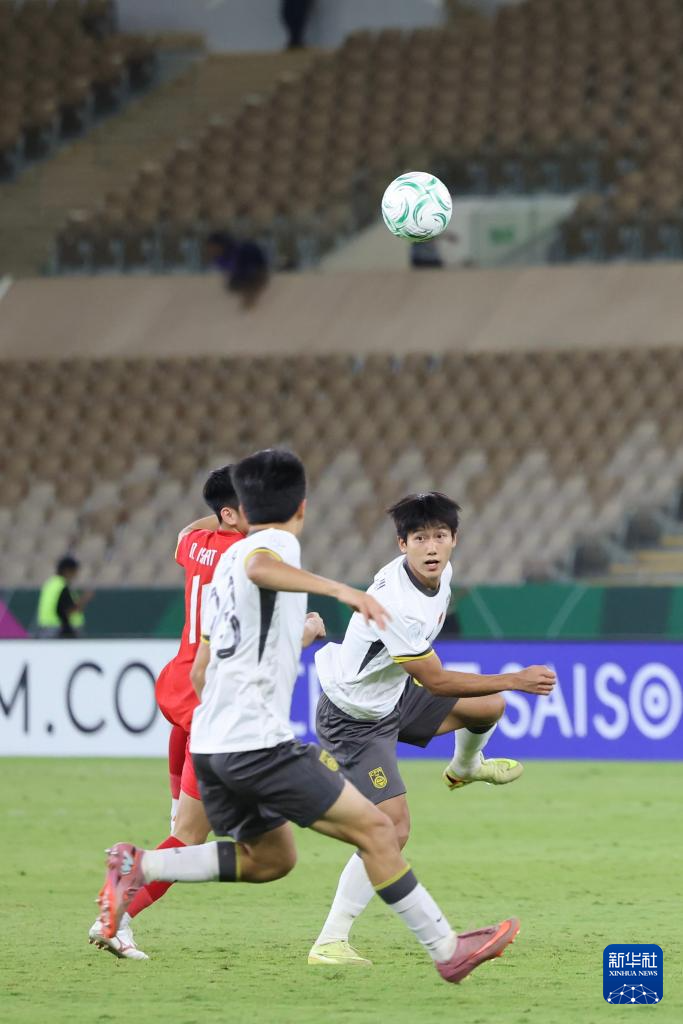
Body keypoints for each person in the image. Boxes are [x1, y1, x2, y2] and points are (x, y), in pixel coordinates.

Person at [94, 450, 524, 984]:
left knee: (270, 860)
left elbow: (203, 667)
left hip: (214, 740)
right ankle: (447, 950)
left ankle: (141, 865)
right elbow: (262, 566)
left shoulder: (221, 564)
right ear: (300, 508)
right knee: (381, 829)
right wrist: (339, 590)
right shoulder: (274, 546)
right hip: (258, 744)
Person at [308, 492, 556, 966]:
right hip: (355, 720)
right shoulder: (393, 603)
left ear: (453, 539)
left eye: (439, 535)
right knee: (392, 828)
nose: (431, 547)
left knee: (488, 707)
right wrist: (516, 678)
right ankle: (331, 940)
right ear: (402, 544)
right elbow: (436, 680)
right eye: (419, 538)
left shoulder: (440, 576)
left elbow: (427, 675)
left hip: (393, 695)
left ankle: (465, 768)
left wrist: (504, 688)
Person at [89, 466, 248, 960]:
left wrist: (221, 514)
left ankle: (176, 802)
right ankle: (117, 914)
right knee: (193, 839)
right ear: (230, 513)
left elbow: (185, 531)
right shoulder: (246, 557)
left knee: (187, 821)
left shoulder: (196, 542)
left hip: (177, 684)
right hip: (207, 695)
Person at [205, 231, 269, 308]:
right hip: (246, 272)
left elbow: (255, 265)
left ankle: (250, 294)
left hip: (253, 269)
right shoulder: (220, 258)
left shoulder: (238, 251)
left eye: (213, 247)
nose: (211, 251)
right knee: (233, 285)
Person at [36, 555, 92, 638]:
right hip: (59, 631)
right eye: (75, 571)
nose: (76, 574)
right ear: (67, 570)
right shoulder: (62, 586)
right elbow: (68, 610)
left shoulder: (50, 583)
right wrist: (85, 598)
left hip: (45, 629)